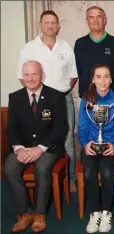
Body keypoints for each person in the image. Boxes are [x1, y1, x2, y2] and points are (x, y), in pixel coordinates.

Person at [17, 10, 78, 192]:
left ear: (58, 26)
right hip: (38, 101)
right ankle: (45, 181)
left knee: (67, 141)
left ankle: (71, 179)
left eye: (53, 23)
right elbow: (23, 77)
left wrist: (59, 93)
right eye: (47, 22)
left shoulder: (65, 47)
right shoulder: (29, 48)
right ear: (40, 25)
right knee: (40, 139)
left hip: (62, 99)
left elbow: (73, 76)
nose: (50, 26)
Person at [5, 61, 68, 233]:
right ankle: (25, 213)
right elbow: (11, 127)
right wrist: (18, 148)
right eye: (26, 74)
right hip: (23, 148)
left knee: (41, 168)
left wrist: (40, 148)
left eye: (34, 74)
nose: (30, 78)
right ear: (22, 77)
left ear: (42, 74)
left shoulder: (56, 96)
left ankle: (39, 214)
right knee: (10, 168)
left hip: (49, 148)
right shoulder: (15, 97)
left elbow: (61, 128)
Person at [77, 64, 114, 233]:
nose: (102, 80)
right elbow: (83, 129)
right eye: (98, 77)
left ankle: (107, 212)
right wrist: (86, 144)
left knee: (107, 171)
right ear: (93, 79)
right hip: (92, 145)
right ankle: (95, 212)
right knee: (88, 171)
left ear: (111, 79)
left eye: (106, 76)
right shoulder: (86, 101)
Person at [74, 6, 114, 100]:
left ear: (104, 20)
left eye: (99, 16)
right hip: (87, 98)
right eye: (91, 17)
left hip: (111, 98)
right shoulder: (80, 43)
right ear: (87, 21)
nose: (95, 20)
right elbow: (78, 71)